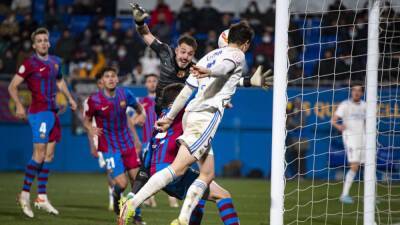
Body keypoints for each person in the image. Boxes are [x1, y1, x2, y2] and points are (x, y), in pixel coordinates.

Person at [119, 21, 254, 225]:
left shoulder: (207, 57)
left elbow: (186, 92)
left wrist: (170, 118)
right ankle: (137, 204)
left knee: (207, 174)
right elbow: (224, 68)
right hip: (205, 116)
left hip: (189, 114)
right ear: (245, 43)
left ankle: (182, 218)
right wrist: (212, 73)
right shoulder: (236, 54)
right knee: (178, 168)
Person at [8, 27, 77, 218]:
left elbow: (60, 81)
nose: (43, 43)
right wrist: (20, 106)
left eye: (45, 40)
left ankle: (42, 197)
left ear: (49, 42)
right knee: (38, 154)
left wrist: (69, 98)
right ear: (34, 45)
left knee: (49, 156)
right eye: (39, 40)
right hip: (39, 113)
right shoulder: (29, 63)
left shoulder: (56, 62)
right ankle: (24, 195)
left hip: (53, 113)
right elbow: (13, 86)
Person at [83, 67, 146, 224]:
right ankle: (117, 195)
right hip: (109, 147)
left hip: (127, 144)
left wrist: (140, 116)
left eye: (113, 76)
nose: (110, 79)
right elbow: (86, 120)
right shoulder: (94, 100)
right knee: (122, 184)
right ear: (102, 81)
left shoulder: (125, 94)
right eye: (107, 76)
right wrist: (90, 128)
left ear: (117, 79)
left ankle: (136, 216)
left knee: (136, 181)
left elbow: (140, 109)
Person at [331, 84, 366, 204]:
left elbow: (368, 122)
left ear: (362, 93)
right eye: (354, 90)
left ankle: (371, 196)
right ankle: (344, 195)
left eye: (359, 90)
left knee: (369, 166)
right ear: (351, 92)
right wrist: (339, 126)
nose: (356, 92)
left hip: (363, 139)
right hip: (350, 139)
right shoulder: (345, 104)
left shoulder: (365, 106)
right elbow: (333, 120)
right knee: (354, 166)